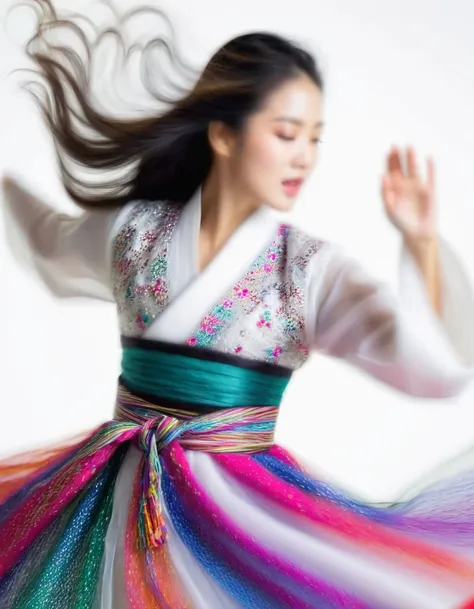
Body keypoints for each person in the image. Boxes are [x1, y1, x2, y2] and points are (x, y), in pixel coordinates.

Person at [1, 1, 474, 608]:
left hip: (241, 516)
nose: (304, 156)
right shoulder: (136, 234)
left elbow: (428, 367)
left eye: (314, 138)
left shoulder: (306, 271)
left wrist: (423, 243)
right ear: (224, 134)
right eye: (286, 133)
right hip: (114, 493)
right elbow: (49, 243)